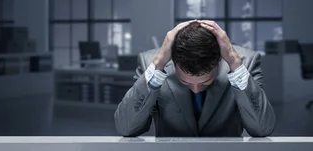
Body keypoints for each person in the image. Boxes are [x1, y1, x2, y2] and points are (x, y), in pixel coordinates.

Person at [114, 20, 275, 137]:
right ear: (174, 63)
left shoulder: (245, 62)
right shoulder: (152, 63)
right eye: (185, 82)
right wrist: (158, 64)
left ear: (218, 61)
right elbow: (126, 128)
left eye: (205, 82)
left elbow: (262, 128)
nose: (196, 90)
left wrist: (234, 63)